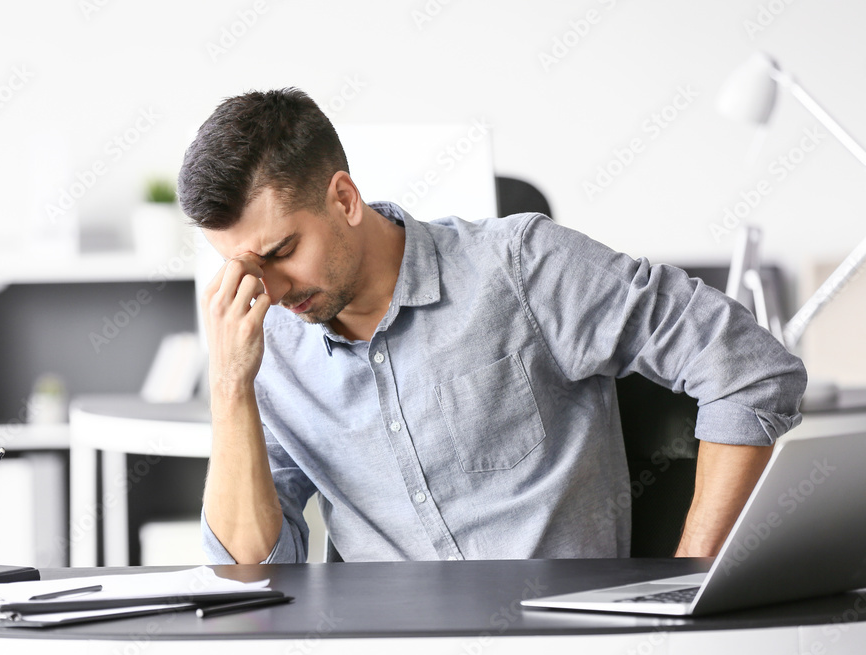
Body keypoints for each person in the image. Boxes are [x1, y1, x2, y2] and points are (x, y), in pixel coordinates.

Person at [177, 88, 807, 565]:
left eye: (283, 251)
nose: (272, 288)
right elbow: (250, 574)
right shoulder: (267, 343)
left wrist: (692, 580)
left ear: (344, 198)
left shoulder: (521, 266)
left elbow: (749, 368)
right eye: (244, 265)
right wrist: (232, 386)